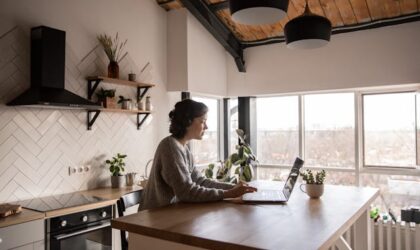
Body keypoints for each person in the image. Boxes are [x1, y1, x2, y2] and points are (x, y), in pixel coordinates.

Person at [139, 99, 257, 210]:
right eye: (202, 121)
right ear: (187, 121)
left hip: (170, 214)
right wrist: (229, 193)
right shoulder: (170, 147)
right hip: (151, 221)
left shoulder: (183, 148)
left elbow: (200, 181)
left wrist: (233, 187)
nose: (206, 127)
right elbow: (186, 192)